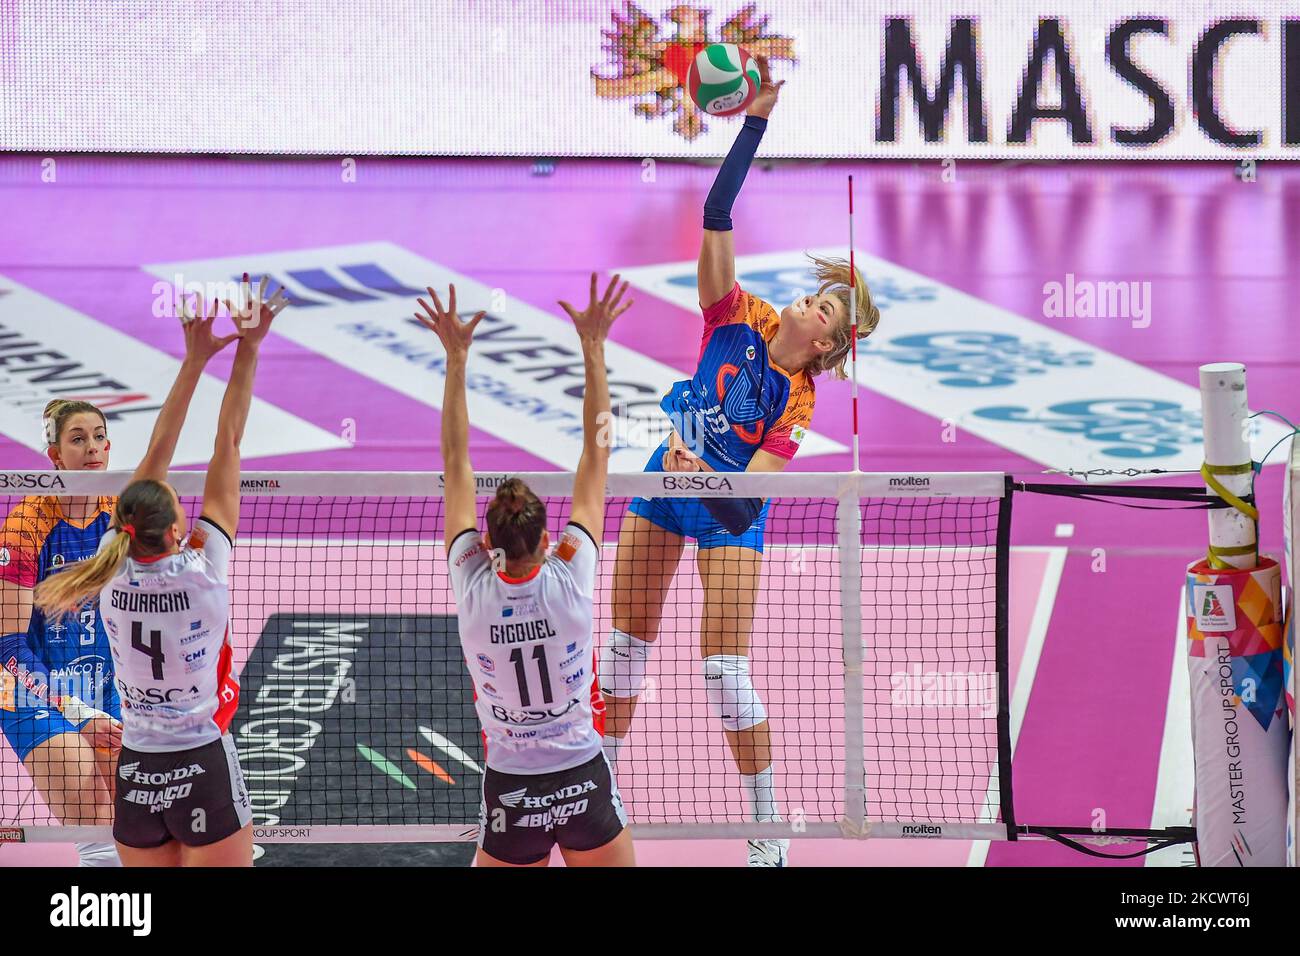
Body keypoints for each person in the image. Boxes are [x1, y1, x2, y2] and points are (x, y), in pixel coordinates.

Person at [597, 57, 882, 866]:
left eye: (823, 307)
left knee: (723, 668)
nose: (808, 300)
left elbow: (747, 500)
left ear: (824, 342)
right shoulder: (738, 314)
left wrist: (706, 479)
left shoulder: (797, 404)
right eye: (815, 292)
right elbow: (717, 211)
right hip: (663, 480)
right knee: (623, 652)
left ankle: (766, 830)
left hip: (726, 513)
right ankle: (603, 802)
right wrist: (755, 119)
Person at [34, 278, 286, 866]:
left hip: (138, 773)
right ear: (178, 530)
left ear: (126, 524)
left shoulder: (107, 570)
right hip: (201, 762)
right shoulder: (205, 570)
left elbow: (158, 451)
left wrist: (193, 358)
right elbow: (228, 442)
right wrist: (248, 349)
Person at [420, 276, 635, 867]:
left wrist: (457, 358)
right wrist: (594, 349)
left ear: (486, 541)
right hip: (583, 778)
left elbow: (454, 460)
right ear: (548, 539)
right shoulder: (571, 575)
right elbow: (597, 455)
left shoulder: (472, 583)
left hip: (512, 785)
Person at [1, 399, 122, 866]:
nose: (92, 448)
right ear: (55, 456)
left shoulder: (122, 516)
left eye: (98, 436)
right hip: (27, 690)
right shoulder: (25, 528)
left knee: (134, 825)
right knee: (94, 824)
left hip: (108, 685)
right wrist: (74, 709)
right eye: (78, 438)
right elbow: (7, 650)